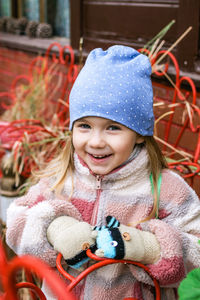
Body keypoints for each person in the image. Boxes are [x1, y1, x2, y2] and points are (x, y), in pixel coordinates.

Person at [6, 45, 200, 300]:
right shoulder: (62, 178)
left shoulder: (165, 187)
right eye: (84, 125)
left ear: (140, 133)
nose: (96, 141)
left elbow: (195, 246)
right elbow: (17, 221)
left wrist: (145, 246)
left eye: (112, 128)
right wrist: (55, 228)